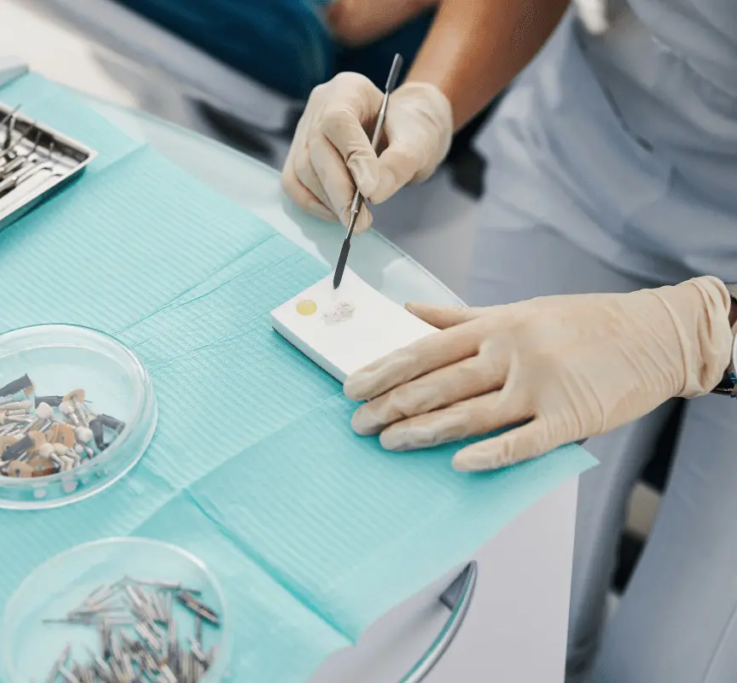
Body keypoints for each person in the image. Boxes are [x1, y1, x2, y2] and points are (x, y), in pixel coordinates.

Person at [282, 0, 737, 681]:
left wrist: (695, 337)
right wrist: (430, 98)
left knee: (664, 663)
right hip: (597, 144)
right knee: (498, 587)